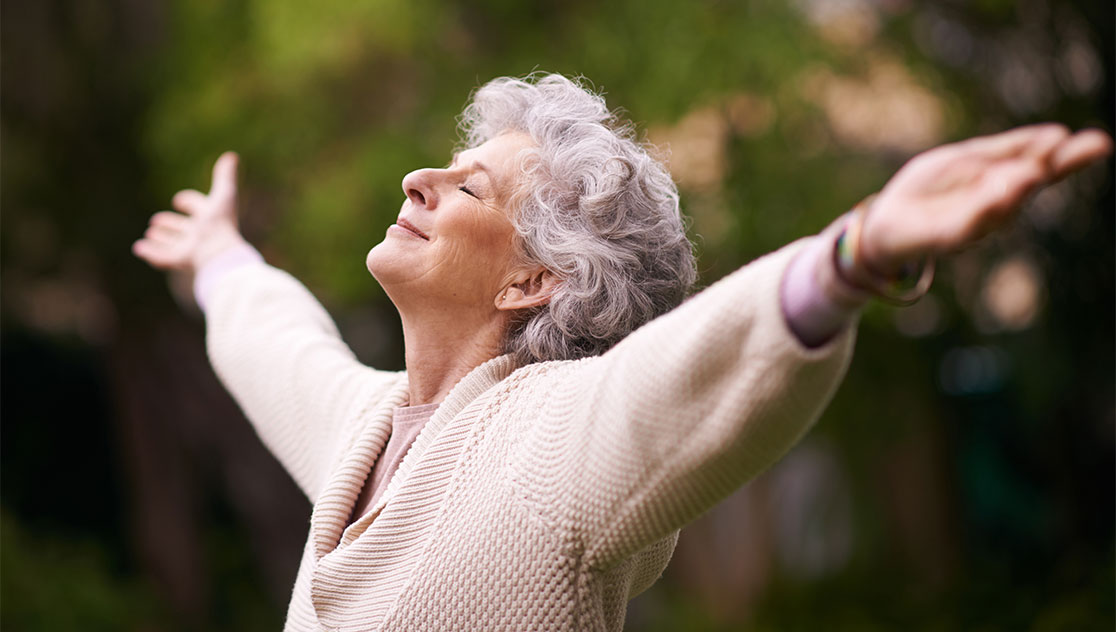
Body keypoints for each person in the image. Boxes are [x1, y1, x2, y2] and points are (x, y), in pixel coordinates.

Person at [133, 74, 1111, 631]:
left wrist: (858, 254)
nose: (418, 176)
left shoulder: (560, 442)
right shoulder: (362, 424)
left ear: (531, 281)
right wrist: (218, 253)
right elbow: (277, 342)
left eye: (469, 188)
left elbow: (699, 374)